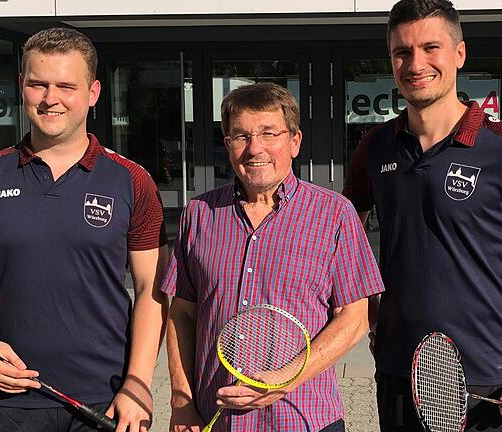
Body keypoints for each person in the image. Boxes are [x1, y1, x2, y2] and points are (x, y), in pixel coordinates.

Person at [342, 1, 502, 430]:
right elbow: (347, 254)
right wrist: (373, 319)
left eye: (430, 47)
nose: (415, 64)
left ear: (459, 54)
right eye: (401, 52)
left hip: (485, 382)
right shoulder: (374, 149)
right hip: (397, 374)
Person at [0, 27, 168, 432]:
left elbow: (153, 289)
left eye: (66, 86)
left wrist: (138, 383)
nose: (50, 98)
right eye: (38, 84)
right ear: (22, 86)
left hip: (107, 397)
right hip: (10, 398)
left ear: (92, 93)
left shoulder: (131, 180)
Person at [163, 82, 384, 432]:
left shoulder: (334, 214)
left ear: (294, 141)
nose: (255, 149)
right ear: (227, 145)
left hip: (303, 419)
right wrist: (181, 401)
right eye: (241, 136)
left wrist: (284, 379)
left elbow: (354, 319)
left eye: (269, 133)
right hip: (215, 419)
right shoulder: (200, 214)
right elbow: (182, 314)